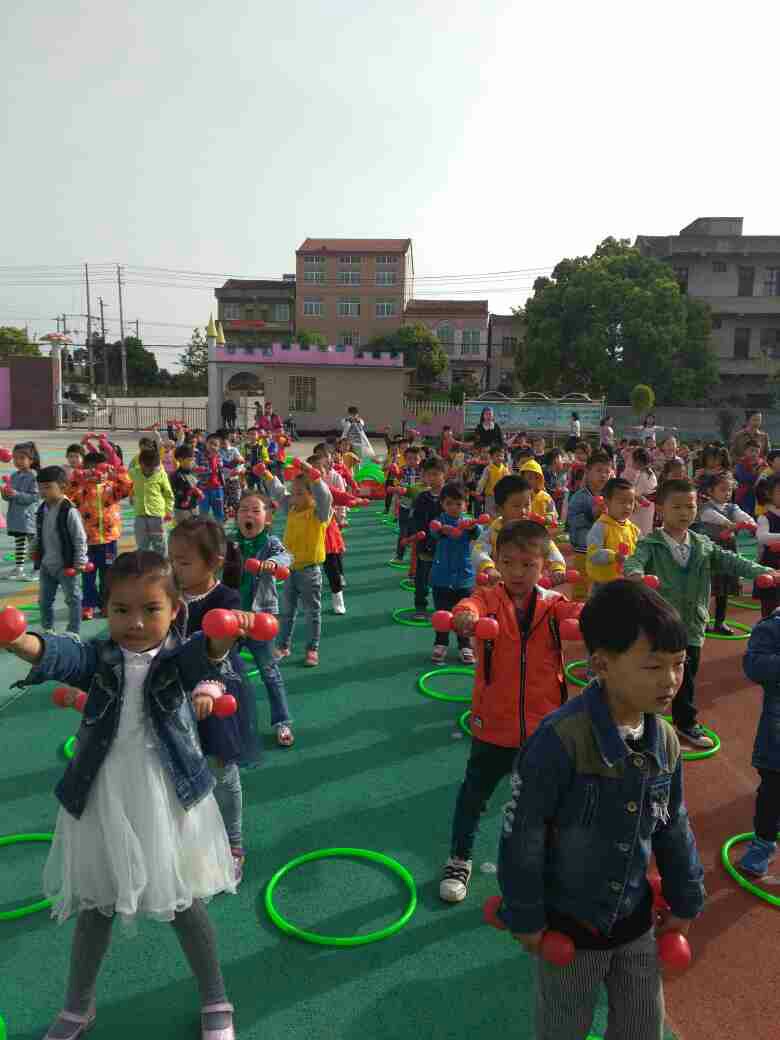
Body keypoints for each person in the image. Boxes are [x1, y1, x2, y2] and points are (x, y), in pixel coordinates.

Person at [2, 550, 242, 1040]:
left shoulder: (175, 659)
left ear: (174, 610)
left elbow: (203, 656)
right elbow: (63, 655)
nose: (135, 623)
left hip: (165, 797)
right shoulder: (100, 658)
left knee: (183, 904)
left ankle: (216, 998)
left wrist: (223, 636)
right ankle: (77, 1006)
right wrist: (20, 641)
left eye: (150, 609)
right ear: (106, 609)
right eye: (120, 610)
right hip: (103, 796)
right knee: (97, 907)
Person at [497, 579, 705, 1040]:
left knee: (642, 1027)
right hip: (570, 928)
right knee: (563, 1025)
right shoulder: (559, 743)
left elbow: (673, 825)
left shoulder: (665, 741)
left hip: (635, 923)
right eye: (653, 666)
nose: (671, 680)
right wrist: (525, 913)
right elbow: (523, 833)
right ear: (601, 665)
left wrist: (685, 896)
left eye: (679, 664)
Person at [439, 519, 578, 903]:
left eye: (528, 564)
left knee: (544, 801)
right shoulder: (489, 599)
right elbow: (470, 604)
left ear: (543, 566)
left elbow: (577, 614)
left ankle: (543, 861)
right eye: (508, 563)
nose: (517, 572)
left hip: (543, 727)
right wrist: (465, 614)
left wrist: (598, 613)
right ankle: (459, 857)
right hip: (494, 724)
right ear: (497, 561)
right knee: (474, 795)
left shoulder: (553, 605)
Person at [624, 478, 778, 749]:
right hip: (659, 624)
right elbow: (634, 561)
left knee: (686, 677)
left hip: (692, 625)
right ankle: (643, 724)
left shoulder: (702, 544)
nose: (684, 513)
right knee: (653, 674)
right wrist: (635, 573)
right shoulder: (651, 543)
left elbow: (731, 561)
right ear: (661, 509)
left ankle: (685, 723)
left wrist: (761, 571)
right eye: (676, 507)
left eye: (690, 506)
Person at [168, 519, 261, 881]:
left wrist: (237, 623)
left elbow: (222, 648)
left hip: (218, 693)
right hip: (177, 693)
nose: (175, 568)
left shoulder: (226, 598)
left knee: (222, 771)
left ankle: (233, 843)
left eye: (184, 562)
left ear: (214, 563)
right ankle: (192, 838)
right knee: (179, 764)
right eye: (172, 560)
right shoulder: (169, 593)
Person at [257, 461, 333, 667]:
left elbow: (325, 496)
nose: (293, 497)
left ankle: (312, 648)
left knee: (312, 613)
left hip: (310, 572)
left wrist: (314, 477)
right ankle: (283, 646)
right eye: (294, 493)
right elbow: (280, 493)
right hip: (289, 570)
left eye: (299, 493)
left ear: (312, 495)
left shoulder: (319, 513)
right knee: (287, 612)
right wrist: (267, 475)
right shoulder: (292, 509)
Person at [69, 447, 132, 620]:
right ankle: (88, 605)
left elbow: (127, 488)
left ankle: (106, 604)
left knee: (108, 575)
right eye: (91, 469)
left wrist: (117, 473)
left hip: (109, 540)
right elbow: (68, 493)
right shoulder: (81, 489)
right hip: (87, 541)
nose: (97, 474)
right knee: (87, 576)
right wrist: (79, 476)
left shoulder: (111, 487)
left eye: (100, 469)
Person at [473, 474, 567, 587]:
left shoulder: (535, 531)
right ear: (499, 509)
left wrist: (557, 568)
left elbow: (551, 549)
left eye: (527, 505)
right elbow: (479, 550)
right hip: (501, 586)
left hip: (530, 587)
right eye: (516, 506)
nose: (523, 511)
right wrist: (489, 568)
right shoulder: (493, 531)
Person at [740, 613, 780, 877]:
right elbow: (753, 665)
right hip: (777, 741)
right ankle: (763, 845)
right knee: (772, 794)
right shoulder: (774, 626)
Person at [428, 482, 482, 665]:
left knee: (464, 615)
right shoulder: (439, 521)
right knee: (442, 613)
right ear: (442, 504)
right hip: (441, 577)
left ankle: (465, 645)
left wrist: (472, 527)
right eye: (449, 503)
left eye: (458, 504)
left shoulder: (468, 522)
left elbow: (478, 532)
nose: (454, 507)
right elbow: (434, 532)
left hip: (464, 577)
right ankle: (440, 644)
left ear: (465, 505)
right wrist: (443, 530)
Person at [32, 466, 89, 636]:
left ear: (63, 486)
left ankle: (73, 631)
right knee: (44, 601)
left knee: (73, 599)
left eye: (48, 487)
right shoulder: (42, 509)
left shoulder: (68, 510)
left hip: (66, 565)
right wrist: (33, 548)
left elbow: (79, 537)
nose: (43, 491)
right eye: (40, 487)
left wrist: (80, 560)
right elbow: (39, 532)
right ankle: (47, 629)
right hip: (47, 564)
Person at [693, 473, 754, 632]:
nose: (727, 493)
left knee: (725, 587)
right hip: (710, 549)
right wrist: (729, 523)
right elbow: (713, 517)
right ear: (711, 491)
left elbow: (743, 516)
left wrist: (751, 523)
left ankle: (720, 622)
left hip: (728, 547)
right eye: (722, 490)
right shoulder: (706, 508)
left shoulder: (732, 507)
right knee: (707, 586)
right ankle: (703, 620)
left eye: (729, 490)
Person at [566, 451, 612, 600]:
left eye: (607, 471)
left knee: (602, 590)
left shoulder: (610, 497)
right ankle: (578, 611)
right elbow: (572, 522)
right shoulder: (579, 497)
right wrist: (591, 514)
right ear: (588, 472)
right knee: (581, 587)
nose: (603, 475)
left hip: (603, 550)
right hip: (583, 549)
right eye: (599, 470)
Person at [408, 456, 448, 620]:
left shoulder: (450, 496)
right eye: (429, 474)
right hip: (425, 544)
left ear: (444, 474)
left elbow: (458, 516)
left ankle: (444, 607)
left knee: (445, 578)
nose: (432, 478)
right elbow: (415, 519)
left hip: (446, 545)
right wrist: (416, 535)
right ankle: (420, 606)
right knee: (422, 577)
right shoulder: (422, 497)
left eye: (436, 474)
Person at [585, 477, 640, 591]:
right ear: (607, 502)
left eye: (631, 502)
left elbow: (640, 554)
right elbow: (593, 555)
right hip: (603, 585)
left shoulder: (634, 530)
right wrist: (614, 556)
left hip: (627, 584)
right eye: (622, 502)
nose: (627, 506)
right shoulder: (600, 527)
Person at [2, 440, 40, 580]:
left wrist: (16, 494)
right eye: (15, 458)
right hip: (16, 516)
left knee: (33, 545)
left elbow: (35, 497)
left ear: (31, 460)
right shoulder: (14, 475)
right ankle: (19, 569)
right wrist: (5, 494)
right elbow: (9, 498)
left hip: (29, 517)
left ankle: (38, 569)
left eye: (22, 458)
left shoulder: (34, 476)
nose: (17, 461)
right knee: (19, 543)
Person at [129, 447, 173, 555]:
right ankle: (144, 563)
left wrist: (168, 510)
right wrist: (131, 494)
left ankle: (163, 563)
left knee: (160, 545)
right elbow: (126, 483)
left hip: (157, 516)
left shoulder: (161, 474)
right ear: (141, 464)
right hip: (140, 514)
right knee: (142, 545)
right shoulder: (134, 473)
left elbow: (168, 494)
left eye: (153, 468)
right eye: (147, 468)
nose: (150, 470)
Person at [753, 473, 780, 617]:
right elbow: (762, 537)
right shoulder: (765, 518)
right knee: (770, 608)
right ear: (769, 494)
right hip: (771, 567)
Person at [392, 445, 422, 563]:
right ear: (405, 459)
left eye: (415, 458)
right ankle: (399, 556)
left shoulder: (423, 472)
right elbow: (397, 486)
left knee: (417, 531)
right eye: (409, 458)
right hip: (405, 505)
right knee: (403, 531)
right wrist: (397, 501)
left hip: (419, 507)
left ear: (420, 459)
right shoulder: (402, 471)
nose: (412, 461)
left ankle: (417, 557)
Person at [476, 444, 510, 516]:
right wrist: (478, 492)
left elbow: (508, 481)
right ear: (491, 457)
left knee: (500, 514)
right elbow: (482, 481)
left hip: (501, 495)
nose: (500, 458)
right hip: (490, 496)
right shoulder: (488, 469)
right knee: (490, 514)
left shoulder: (504, 469)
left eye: (501, 456)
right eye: (497, 456)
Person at [170, 444, 201, 522]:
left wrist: (199, 492)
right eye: (190, 460)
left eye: (194, 459)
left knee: (196, 527)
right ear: (180, 460)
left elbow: (198, 487)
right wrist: (187, 493)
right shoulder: (176, 476)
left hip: (194, 507)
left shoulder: (194, 473)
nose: (193, 462)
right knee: (183, 528)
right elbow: (174, 493)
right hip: (181, 510)